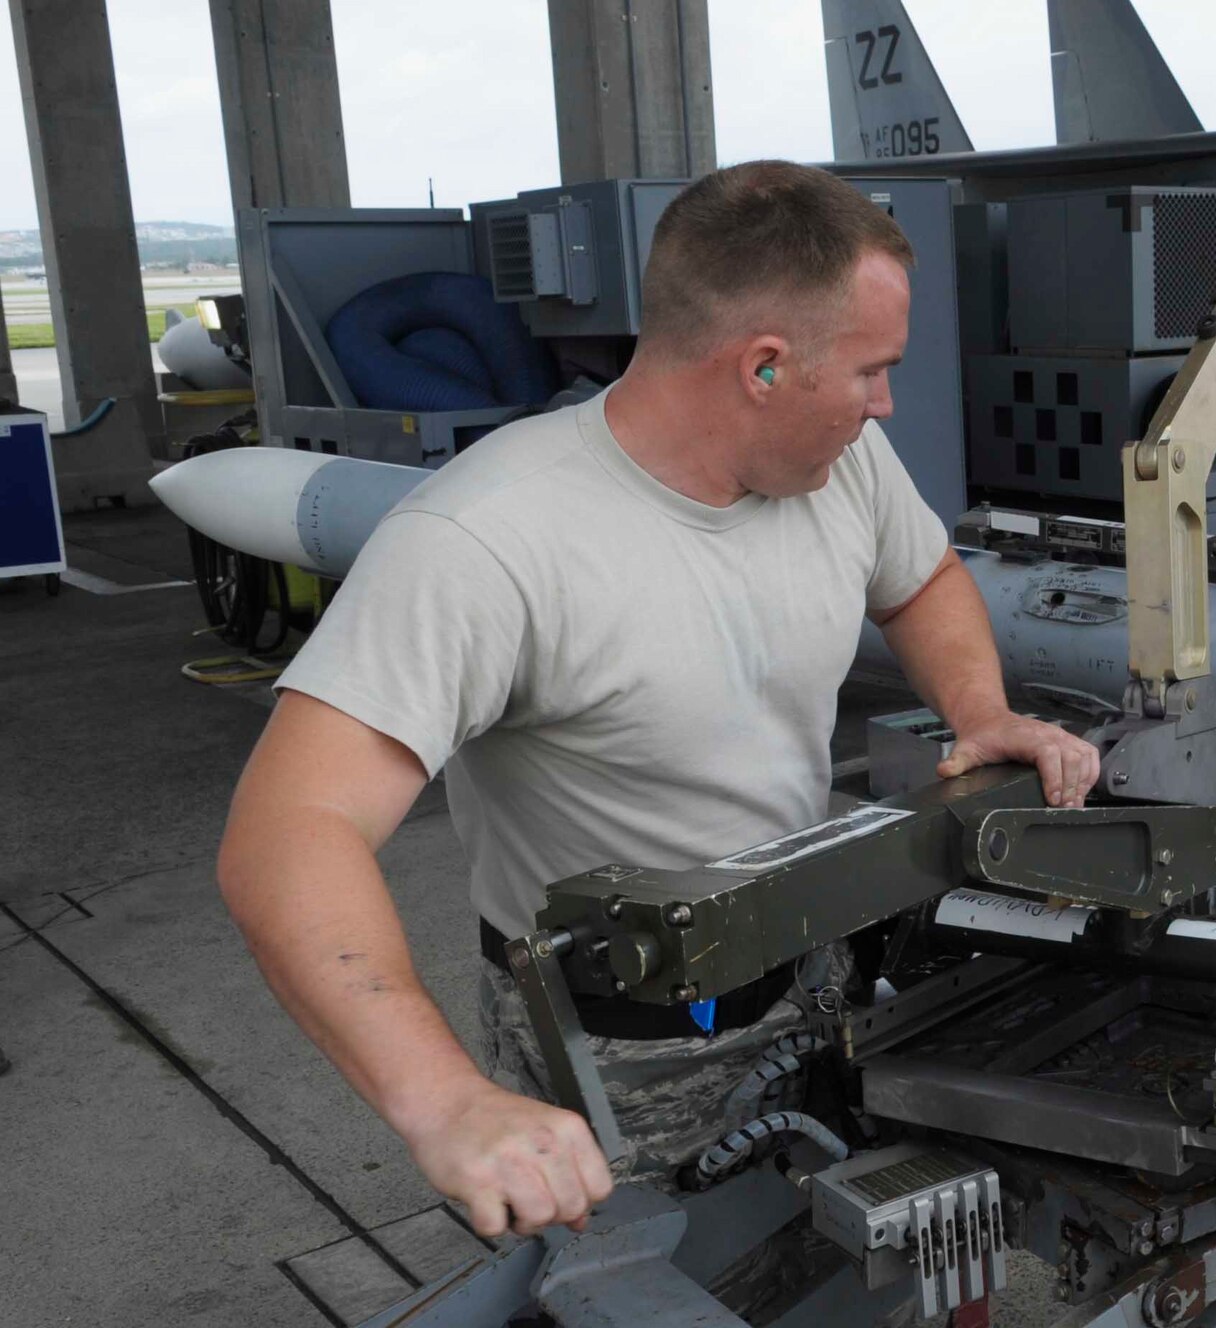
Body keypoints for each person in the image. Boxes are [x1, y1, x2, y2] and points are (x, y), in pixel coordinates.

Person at [215, 160, 1099, 1242]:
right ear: (764, 367)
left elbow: (920, 580)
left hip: (811, 975)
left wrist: (979, 708)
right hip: (616, 1047)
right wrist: (445, 1102)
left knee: (841, 1272)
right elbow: (288, 829)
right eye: (871, 370)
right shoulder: (489, 540)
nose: (885, 403)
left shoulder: (844, 464)